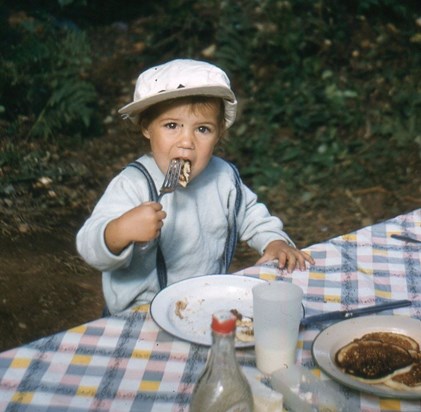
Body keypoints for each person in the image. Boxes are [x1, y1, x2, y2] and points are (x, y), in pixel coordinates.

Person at [76, 59, 314, 315]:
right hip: (138, 313)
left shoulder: (223, 177)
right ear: (146, 127)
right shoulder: (133, 184)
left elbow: (252, 216)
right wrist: (119, 231)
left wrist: (274, 242)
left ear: (219, 133)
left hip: (203, 303)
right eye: (171, 126)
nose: (187, 141)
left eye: (202, 129)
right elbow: (90, 246)